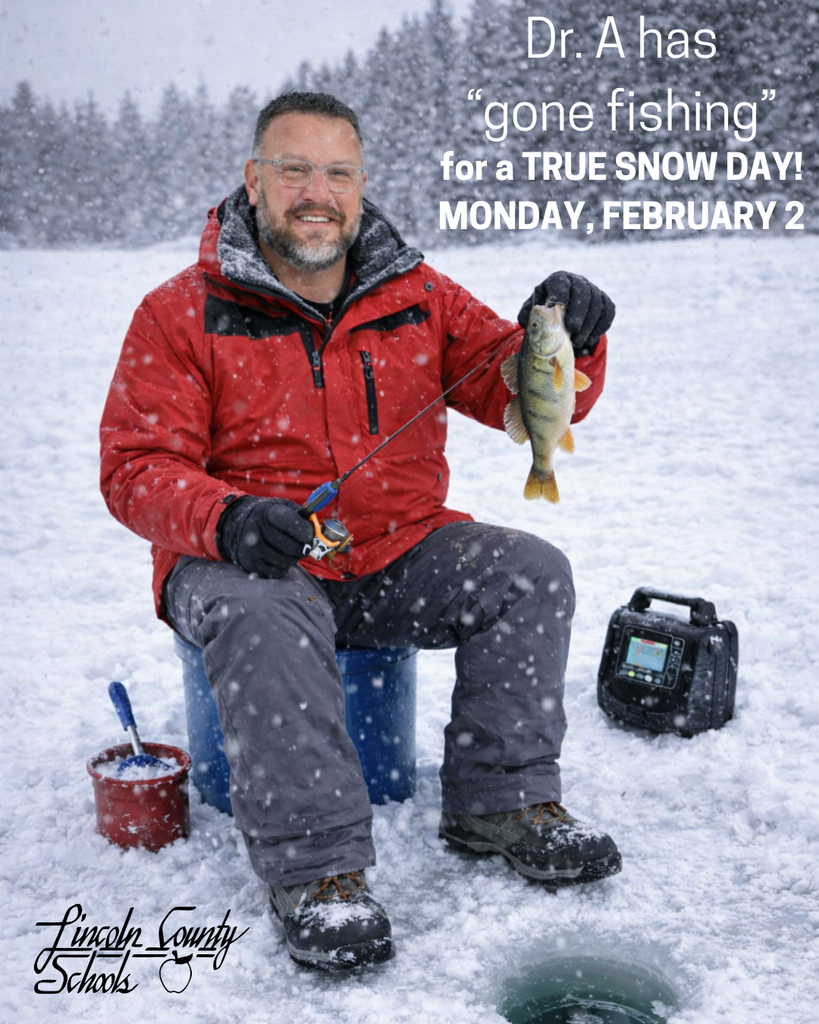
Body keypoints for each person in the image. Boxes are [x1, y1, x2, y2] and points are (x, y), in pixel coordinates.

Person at [100, 91, 620, 973]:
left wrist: (576, 335)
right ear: (253, 181)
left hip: (392, 552)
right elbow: (134, 467)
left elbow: (513, 385)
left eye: (338, 173)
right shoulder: (180, 311)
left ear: (362, 183)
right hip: (245, 565)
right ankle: (317, 873)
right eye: (294, 169)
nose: (318, 192)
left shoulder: (420, 295)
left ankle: (501, 802)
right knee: (265, 611)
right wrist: (229, 518)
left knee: (529, 570)